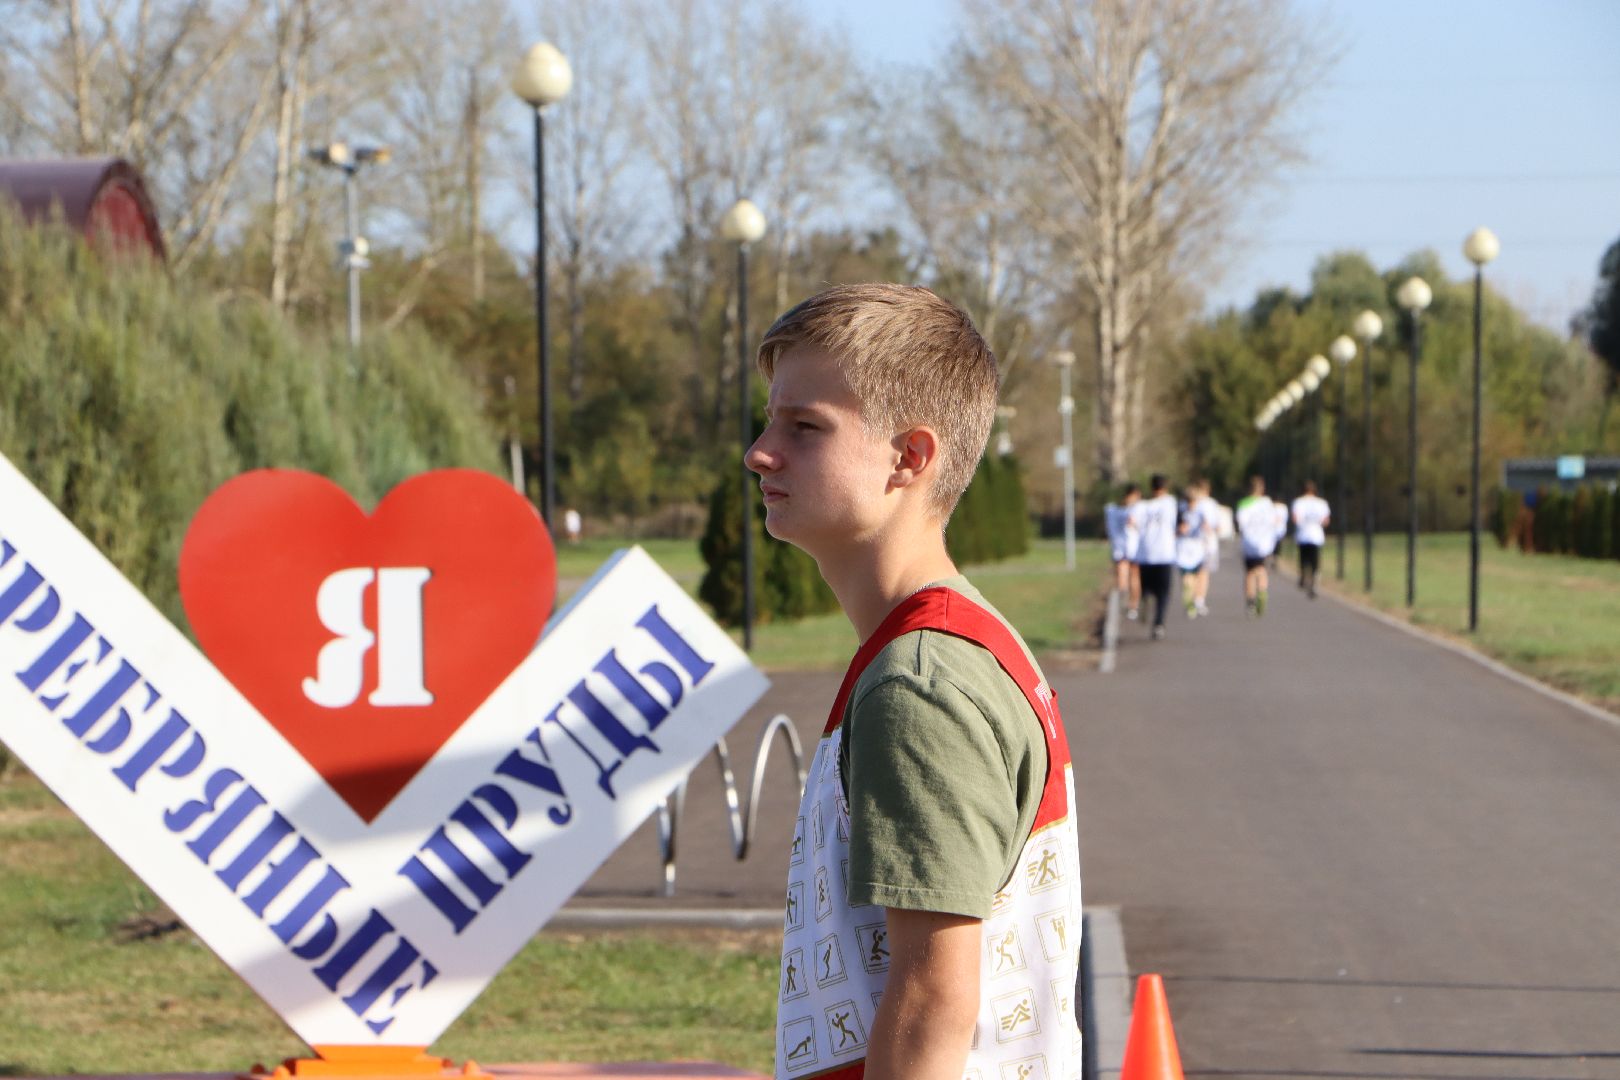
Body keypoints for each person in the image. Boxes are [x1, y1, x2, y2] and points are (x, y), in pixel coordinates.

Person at [746, 284, 1082, 1080]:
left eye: (804, 428)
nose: (760, 451)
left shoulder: (920, 683)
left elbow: (935, 996)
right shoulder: (950, 644)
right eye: (768, 421)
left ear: (911, 457)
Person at [1134, 474, 1179, 640]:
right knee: (1164, 593)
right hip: (1164, 554)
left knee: (1146, 587)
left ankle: (1145, 598)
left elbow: (1132, 521)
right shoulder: (1171, 503)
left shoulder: (1142, 506)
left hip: (1145, 554)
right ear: (1165, 487)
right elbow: (1181, 523)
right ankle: (1159, 624)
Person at [1235, 475, 1279, 616]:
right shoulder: (1267, 503)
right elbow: (1275, 521)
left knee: (1249, 572)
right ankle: (1262, 593)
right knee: (1261, 570)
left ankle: (1251, 601)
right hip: (1264, 543)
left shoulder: (1244, 503)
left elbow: (1240, 524)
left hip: (1249, 542)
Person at [1290, 480, 1331, 598]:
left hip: (1303, 534)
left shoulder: (1298, 502)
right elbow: (1326, 521)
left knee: (1303, 558)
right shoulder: (1322, 503)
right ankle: (1314, 582)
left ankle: (1303, 575)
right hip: (1316, 535)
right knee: (1315, 560)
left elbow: (1295, 519)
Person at [1176, 482, 1212, 619]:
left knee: (1197, 575)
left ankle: (1195, 600)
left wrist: (1206, 530)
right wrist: (1180, 529)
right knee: (1187, 576)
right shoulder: (1180, 510)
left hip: (1198, 546)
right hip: (1184, 546)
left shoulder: (1201, 510)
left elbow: (1208, 527)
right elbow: (1176, 528)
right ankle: (1189, 601)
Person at [1105, 484, 1140, 606]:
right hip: (1121, 548)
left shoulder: (1137, 509)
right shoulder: (1115, 510)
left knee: (1134, 575)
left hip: (1134, 548)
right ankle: (1125, 599)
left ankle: (1133, 604)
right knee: (1123, 575)